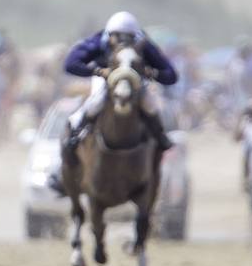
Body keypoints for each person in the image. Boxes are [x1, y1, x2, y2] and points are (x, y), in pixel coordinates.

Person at [62, 11, 177, 157]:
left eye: (128, 38)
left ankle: (160, 137)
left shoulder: (144, 45)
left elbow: (171, 75)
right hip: (106, 80)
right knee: (95, 102)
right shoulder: (97, 42)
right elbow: (70, 63)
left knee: (150, 104)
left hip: (135, 81)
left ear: (135, 36)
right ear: (109, 34)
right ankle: (77, 133)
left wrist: (152, 73)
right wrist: (98, 71)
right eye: (118, 37)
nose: (123, 42)